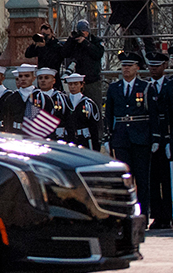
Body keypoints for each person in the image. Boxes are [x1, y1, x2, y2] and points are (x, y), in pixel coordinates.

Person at [106, 51, 153, 206]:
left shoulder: (145, 87)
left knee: (142, 178)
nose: (126, 69)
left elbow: (151, 114)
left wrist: (155, 137)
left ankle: (144, 213)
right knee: (124, 178)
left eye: (129, 66)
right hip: (121, 138)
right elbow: (109, 114)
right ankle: (126, 213)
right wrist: (108, 136)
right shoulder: (114, 88)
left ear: (137, 68)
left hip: (140, 137)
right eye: (124, 66)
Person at [145, 52, 172, 229]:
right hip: (151, 138)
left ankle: (169, 214)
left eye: (157, 66)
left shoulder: (170, 85)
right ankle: (157, 215)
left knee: (168, 179)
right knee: (153, 179)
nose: (153, 69)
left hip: (168, 135)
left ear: (164, 66)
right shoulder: (147, 87)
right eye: (151, 66)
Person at [61, 74, 102, 151]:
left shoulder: (88, 103)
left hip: (84, 139)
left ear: (82, 85)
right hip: (68, 139)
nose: (73, 87)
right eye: (70, 84)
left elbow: (94, 126)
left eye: (76, 84)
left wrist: (96, 146)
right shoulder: (64, 102)